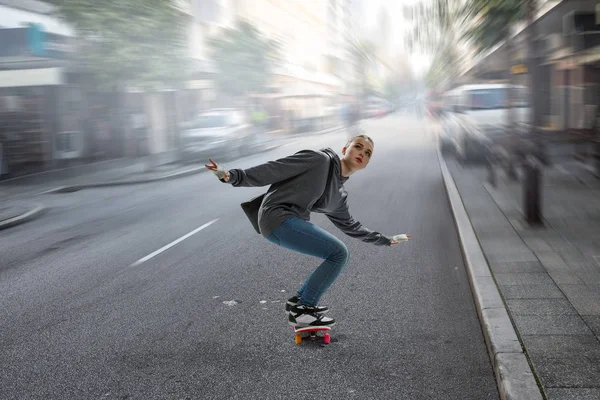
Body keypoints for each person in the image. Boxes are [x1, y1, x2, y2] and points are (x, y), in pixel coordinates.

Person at [205, 134, 412, 328]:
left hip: (289, 221)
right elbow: (273, 170)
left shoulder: (339, 194)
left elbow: (351, 225)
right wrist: (231, 176)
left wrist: (385, 240)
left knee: (338, 254)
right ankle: (304, 309)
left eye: (368, 153)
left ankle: (298, 302)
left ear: (367, 162)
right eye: (358, 146)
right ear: (344, 148)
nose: (362, 153)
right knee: (339, 253)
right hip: (276, 216)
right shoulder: (319, 160)